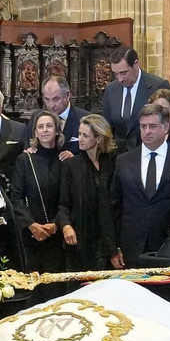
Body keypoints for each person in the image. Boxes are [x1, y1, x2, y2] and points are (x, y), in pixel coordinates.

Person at [110, 101, 170, 267]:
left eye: (152, 126)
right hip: (131, 247)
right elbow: (114, 206)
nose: (147, 131)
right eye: (143, 126)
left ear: (166, 127)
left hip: (169, 248)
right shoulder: (123, 161)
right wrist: (114, 247)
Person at [12, 110, 66, 300]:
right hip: (31, 236)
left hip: (57, 237)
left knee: (55, 291)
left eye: (49, 126)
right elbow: (16, 197)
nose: (45, 130)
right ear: (34, 132)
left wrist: (56, 224)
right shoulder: (24, 160)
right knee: (33, 292)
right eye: (40, 127)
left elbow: (69, 199)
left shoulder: (65, 160)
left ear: (57, 131)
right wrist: (32, 225)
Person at [56, 113, 117, 273]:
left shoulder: (112, 164)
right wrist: (66, 225)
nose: (80, 139)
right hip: (79, 237)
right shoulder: (71, 165)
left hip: (105, 238)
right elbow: (63, 203)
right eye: (79, 134)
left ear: (98, 138)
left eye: (85, 135)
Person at [101, 46, 168, 152]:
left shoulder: (157, 86)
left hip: (149, 153)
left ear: (136, 64)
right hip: (118, 158)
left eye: (124, 73)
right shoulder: (111, 90)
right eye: (116, 74)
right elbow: (107, 127)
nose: (120, 79)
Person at [42, 75, 82, 153]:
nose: (51, 105)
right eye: (47, 99)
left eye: (55, 99)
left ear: (67, 95)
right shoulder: (36, 118)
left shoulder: (83, 118)